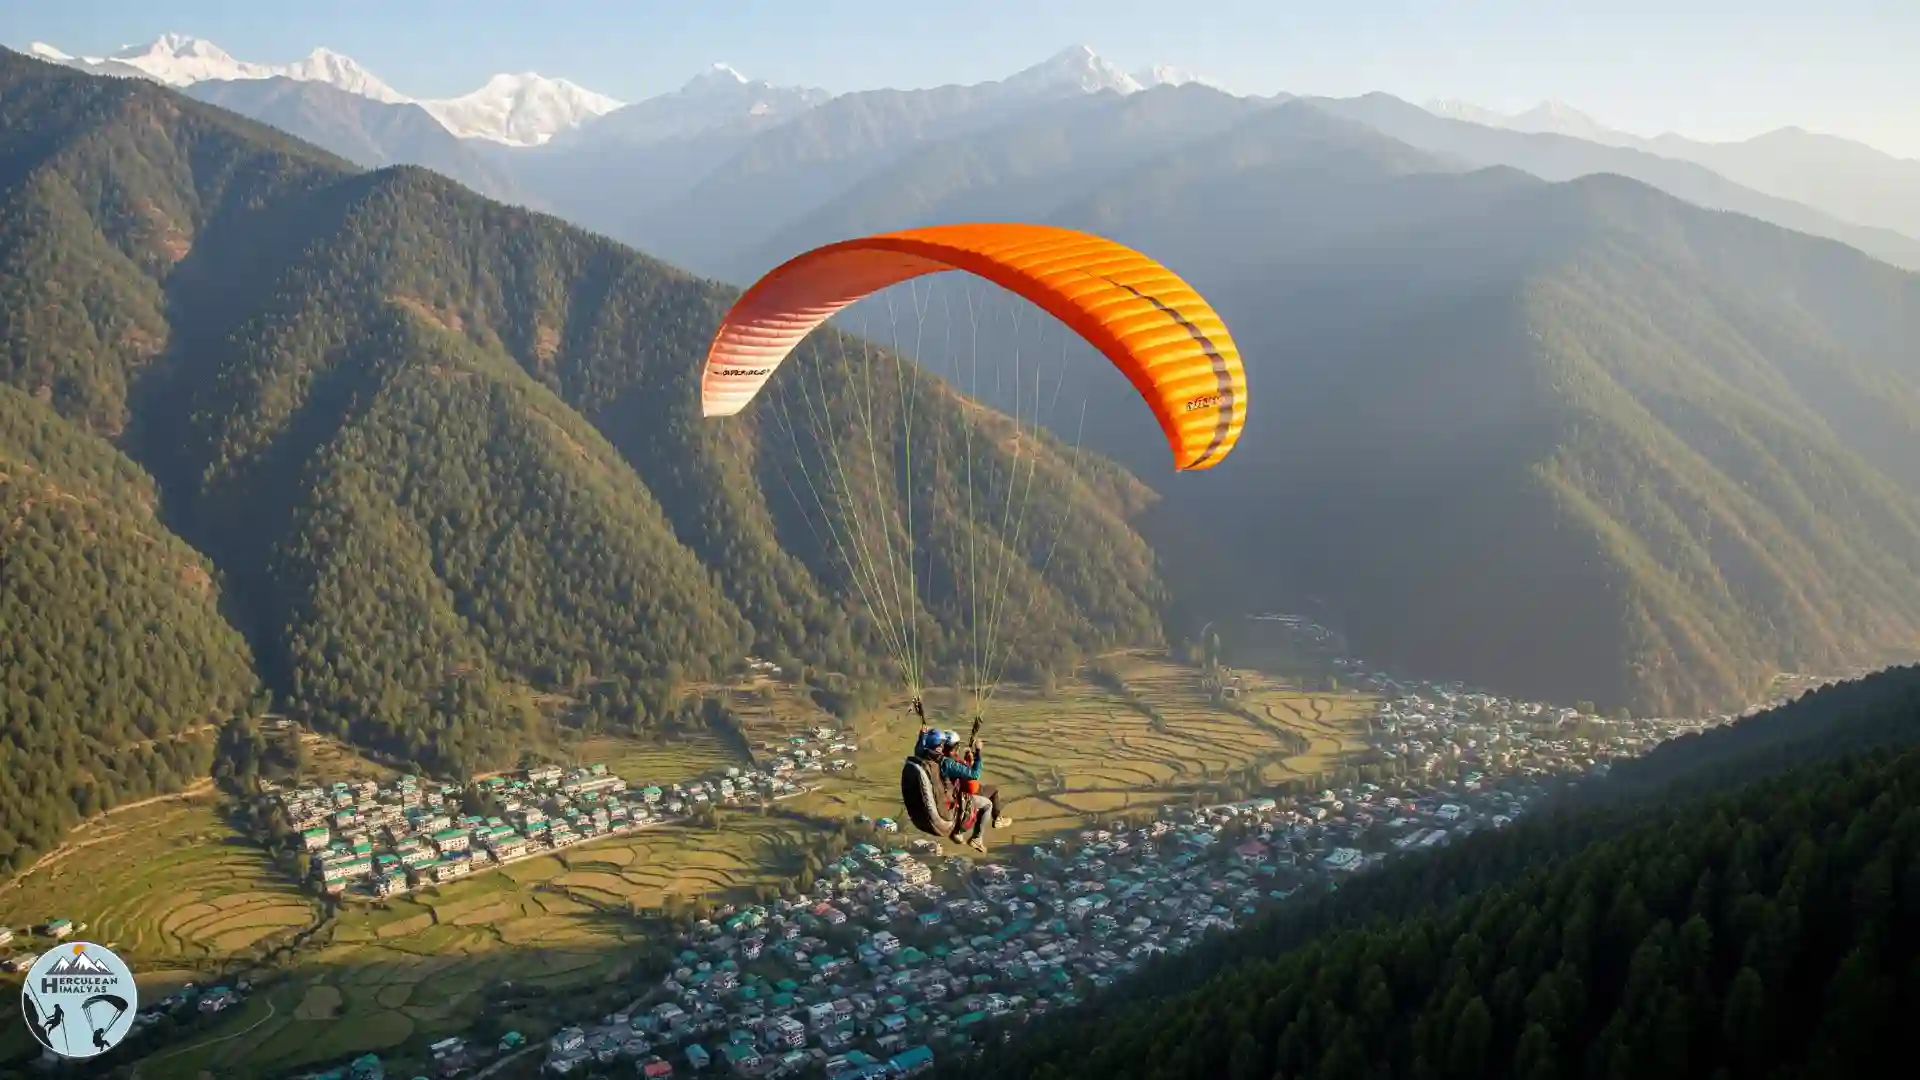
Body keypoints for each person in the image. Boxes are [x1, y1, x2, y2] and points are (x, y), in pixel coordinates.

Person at [938, 739, 1011, 850]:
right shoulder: (951, 763)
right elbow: (974, 774)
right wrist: (978, 752)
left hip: (961, 788)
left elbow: (964, 769)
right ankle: (995, 821)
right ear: (955, 747)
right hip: (969, 790)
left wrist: (968, 760)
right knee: (993, 793)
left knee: (988, 790)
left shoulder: (945, 759)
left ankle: (990, 821)